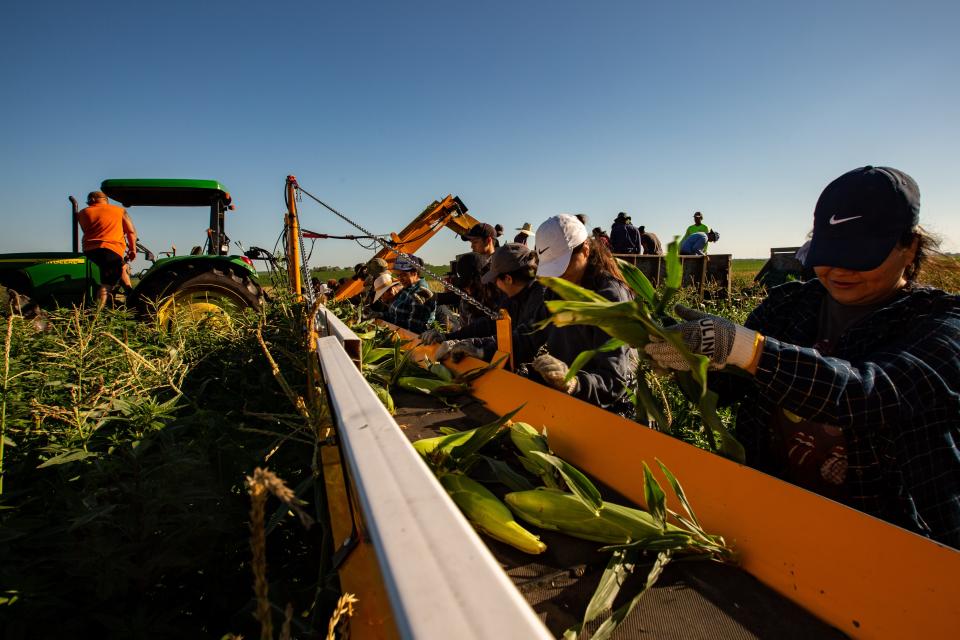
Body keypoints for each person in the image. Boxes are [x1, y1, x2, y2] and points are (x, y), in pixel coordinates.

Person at [645, 166, 960, 548]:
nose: (838, 269)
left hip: (888, 541)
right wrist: (685, 358)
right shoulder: (790, 306)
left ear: (909, 246)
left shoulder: (941, 324)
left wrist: (748, 348)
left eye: (859, 256)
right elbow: (729, 387)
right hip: (773, 517)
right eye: (830, 253)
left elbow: (868, 393)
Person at [532, 214, 637, 414]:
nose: (558, 276)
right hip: (574, 401)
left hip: (610, 408)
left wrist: (574, 383)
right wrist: (482, 347)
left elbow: (614, 381)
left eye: (562, 267)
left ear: (585, 251)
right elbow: (529, 334)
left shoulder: (609, 298)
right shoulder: (559, 288)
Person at [425, 243, 549, 364]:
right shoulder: (513, 297)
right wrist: (449, 337)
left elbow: (525, 340)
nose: (495, 285)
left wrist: (481, 351)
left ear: (508, 279)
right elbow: (492, 324)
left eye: (496, 280)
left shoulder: (542, 298)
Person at [76, 191, 137, 307]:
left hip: (89, 250)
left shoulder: (82, 213)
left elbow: (87, 230)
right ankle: (97, 314)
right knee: (107, 283)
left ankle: (130, 292)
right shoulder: (119, 211)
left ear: (92, 200)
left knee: (122, 266)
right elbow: (131, 232)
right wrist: (132, 250)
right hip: (111, 249)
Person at [382, 256, 436, 333]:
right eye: (398, 275)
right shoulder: (407, 288)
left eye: (403, 275)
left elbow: (412, 329)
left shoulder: (420, 293)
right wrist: (380, 315)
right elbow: (396, 315)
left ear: (414, 273)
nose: (400, 279)